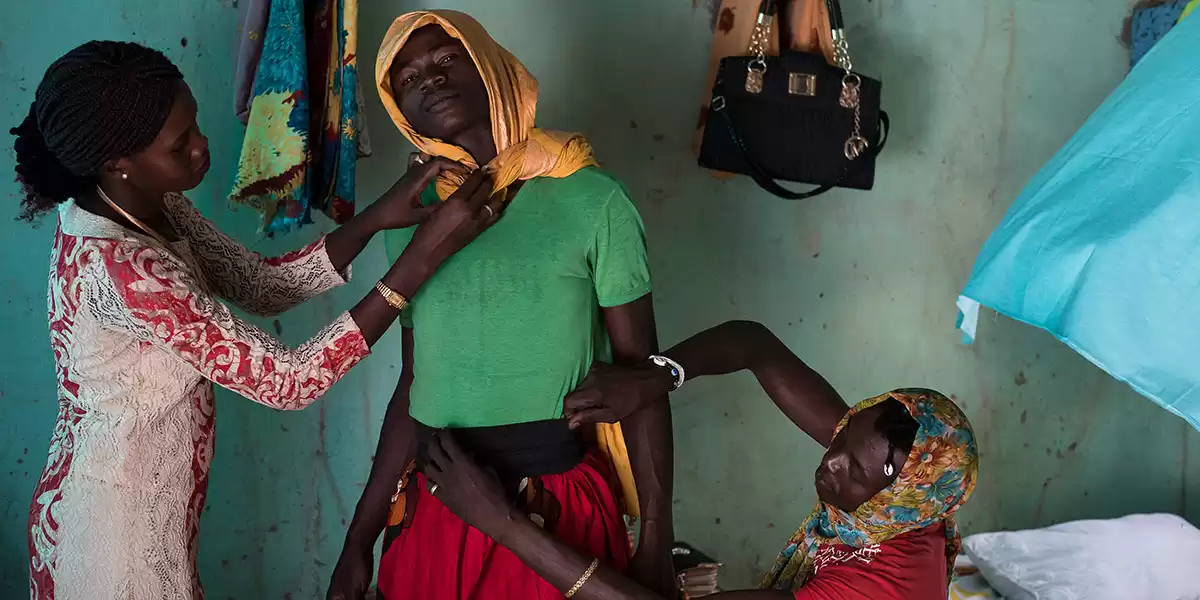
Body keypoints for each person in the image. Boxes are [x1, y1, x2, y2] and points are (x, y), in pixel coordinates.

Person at [14, 40, 504, 599]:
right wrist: (418, 261)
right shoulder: (123, 267)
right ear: (116, 163)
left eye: (194, 124)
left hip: (107, 496)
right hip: (115, 535)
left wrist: (372, 220)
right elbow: (288, 381)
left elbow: (261, 286)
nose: (203, 147)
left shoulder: (144, 202)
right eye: (181, 145)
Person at [327, 10, 676, 600]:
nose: (428, 79)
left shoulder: (591, 199)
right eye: (407, 78)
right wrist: (358, 541)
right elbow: (416, 382)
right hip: (439, 501)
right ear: (398, 111)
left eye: (444, 59)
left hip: (557, 510)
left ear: (490, 66)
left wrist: (656, 543)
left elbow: (641, 384)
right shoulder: (411, 217)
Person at [422, 321, 979, 600]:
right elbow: (753, 345)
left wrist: (502, 523)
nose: (830, 460)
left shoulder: (886, 581)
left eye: (854, 471)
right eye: (841, 435)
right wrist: (654, 377)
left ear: (903, 498)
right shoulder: (886, 477)